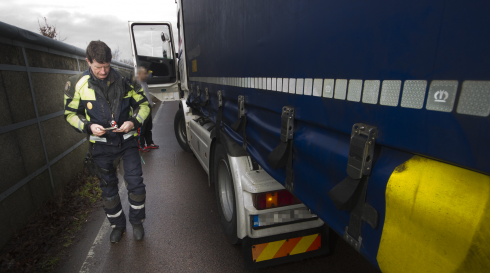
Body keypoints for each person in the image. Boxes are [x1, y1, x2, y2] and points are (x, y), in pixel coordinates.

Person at [63, 41, 150, 243]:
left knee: (136, 185)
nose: (103, 72)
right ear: (87, 61)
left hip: (126, 144)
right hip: (100, 149)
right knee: (108, 189)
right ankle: (117, 226)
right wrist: (88, 126)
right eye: (97, 67)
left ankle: (137, 222)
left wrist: (133, 121)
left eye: (106, 66)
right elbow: (69, 114)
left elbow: (144, 106)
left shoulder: (126, 80)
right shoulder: (78, 84)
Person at [136, 67, 159, 152]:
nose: (146, 75)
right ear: (139, 74)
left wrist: (151, 103)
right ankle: (141, 145)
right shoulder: (136, 84)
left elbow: (147, 94)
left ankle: (149, 143)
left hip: (148, 107)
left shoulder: (144, 83)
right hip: (141, 108)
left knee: (148, 127)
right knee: (142, 128)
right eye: (144, 73)